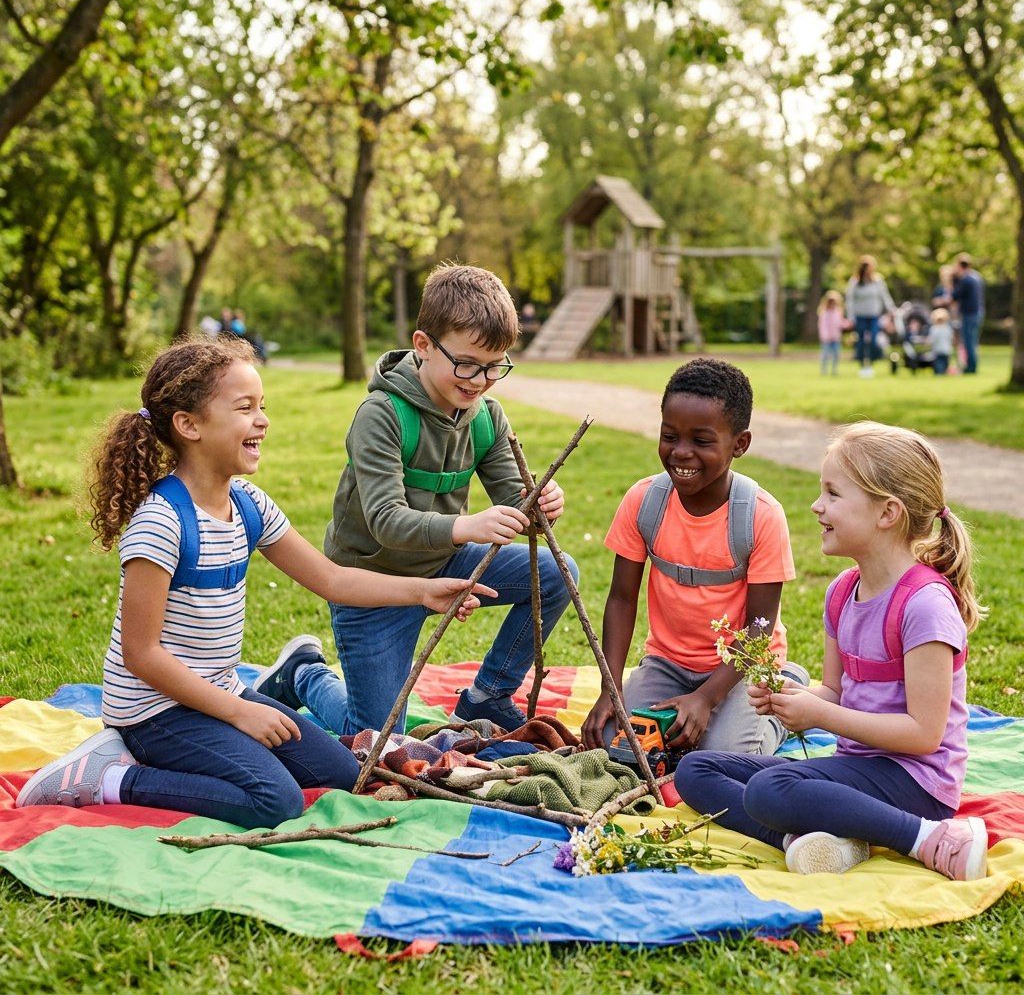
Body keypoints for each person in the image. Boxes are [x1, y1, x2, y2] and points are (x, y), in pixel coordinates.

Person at [16, 337, 492, 828]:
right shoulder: (162, 522)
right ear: (189, 425)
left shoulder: (247, 503)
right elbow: (142, 654)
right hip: (153, 712)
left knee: (340, 771)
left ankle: (272, 691)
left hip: (215, 691)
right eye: (245, 408)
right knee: (274, 801)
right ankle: (109, 776)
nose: (263, 420)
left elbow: (331, 578)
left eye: (262, 406)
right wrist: (240, 713)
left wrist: (422, 592)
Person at [270, 263, 575, 738]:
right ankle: (304, 673)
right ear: (423, 345)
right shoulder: (381, 415)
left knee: (558, 573)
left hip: (444, 563)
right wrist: (465, 526)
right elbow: (386, 520)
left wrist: (540, 505)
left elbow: (515, 505)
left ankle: (488, 696)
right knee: (373, 737)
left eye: (496, 366)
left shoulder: (484, 416)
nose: (480, 381)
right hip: (372, 583)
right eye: (469, 364)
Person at [676, 422, 988, 882]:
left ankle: (927, 840)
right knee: (695, 770)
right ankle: (805, 843)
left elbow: (924, 734)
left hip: (917, 784)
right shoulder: (843, 592)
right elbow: (837, 693)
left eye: (833, 494)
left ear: (888, 512)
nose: (816, 506)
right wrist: (790, 697)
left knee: (769, 788)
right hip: (858, 769)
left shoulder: (924, 604)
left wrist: (818, 717)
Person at [581, 358, 808, 757]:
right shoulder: (644, 501)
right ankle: (693, 711)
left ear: (740, 444)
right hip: (667, 664)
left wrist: (705, 699)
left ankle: (782, 692)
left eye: (701, 441)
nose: (681, 453)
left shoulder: (760, 515)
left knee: (723, 758)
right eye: (670, 436)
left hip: (742, 668)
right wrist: (610, 689)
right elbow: (620, 598)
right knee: (612, 744)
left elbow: (759, 627)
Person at [845, 256, 896, 379]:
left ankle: (872, 360)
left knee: (874, 339)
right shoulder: (855, 281)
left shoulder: (877, 280)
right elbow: (850, 300)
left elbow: (885, 296)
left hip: (874, 315)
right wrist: (850, 317)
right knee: (861, 340)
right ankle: (862, 362)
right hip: (860, 315)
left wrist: (891, 309)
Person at [952, 253, 985, 374]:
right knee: (973, 340)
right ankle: (972, 365)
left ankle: (971, 367)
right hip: (978, 312)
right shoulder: (977, 277)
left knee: (968, 340)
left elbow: (955, 295)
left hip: (969, 313)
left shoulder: (966, 279)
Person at [817, 291, 846, 376]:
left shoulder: (837, 313)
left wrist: (848, 324)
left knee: (836, 355)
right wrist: (825, 336)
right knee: (825, 354)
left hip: (835, 338)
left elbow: (840, 323)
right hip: (826, 338)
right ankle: (824, 370)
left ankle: (834, 370)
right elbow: (822, 326)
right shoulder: (824, 314)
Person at [928, 308, 954, 376]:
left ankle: (939, 374)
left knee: (938, 365)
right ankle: (944, 373)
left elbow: (931, 340)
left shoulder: (934, 329)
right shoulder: (948, 328)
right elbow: (951, 338)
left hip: (938, 350)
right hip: (947, 350)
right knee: (945, 364)